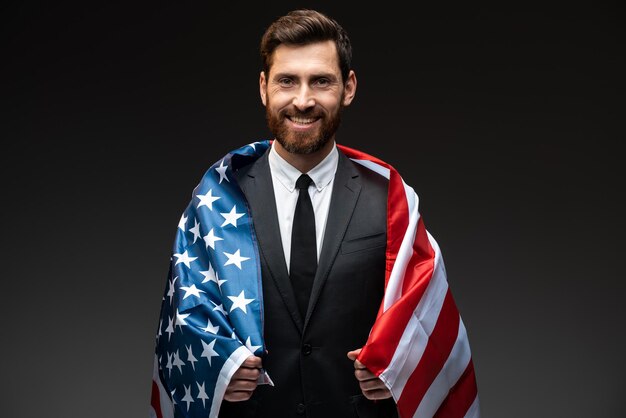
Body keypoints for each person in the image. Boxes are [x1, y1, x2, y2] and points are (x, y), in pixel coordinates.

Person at [150, 9, 479, 418]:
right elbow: (183, 319)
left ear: (348, 88)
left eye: (321, 81)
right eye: (287, 80)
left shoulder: (391, 200)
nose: (303, 100)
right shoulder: (217, 200)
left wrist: (399, 365)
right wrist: (214, 368)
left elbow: (429, 319)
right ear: (264, 87)